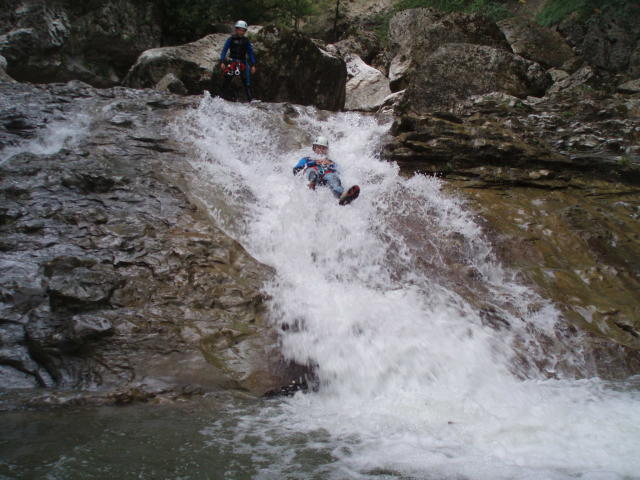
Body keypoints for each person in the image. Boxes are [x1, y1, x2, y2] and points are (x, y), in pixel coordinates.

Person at [293, 136, 360, 205]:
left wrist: (331, 164)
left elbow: (340, 171)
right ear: (314, 148)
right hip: (313, 174)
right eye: (318, 147)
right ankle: (312, 183)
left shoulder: (330, 160)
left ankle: (342, 196)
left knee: (333, 178)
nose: (321, 150)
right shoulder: (307, 159)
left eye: (323, 148)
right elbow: (296, 169)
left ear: (327, 150)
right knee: (312, 172)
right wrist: (314, 162)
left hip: (326, 176)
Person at [218, 20, 256, 101]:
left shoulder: (246, 41)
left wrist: (253, 65)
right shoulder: (231, 39)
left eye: (243, 30)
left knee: (247, 82)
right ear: (236, 30)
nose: (241, 32)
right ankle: (220, 98)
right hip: (233, 62)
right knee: (227, 80)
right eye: (239, 30)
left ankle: (250, 100)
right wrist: (222, 61)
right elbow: (224, 50)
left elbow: (250, 53)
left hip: (243, 62)